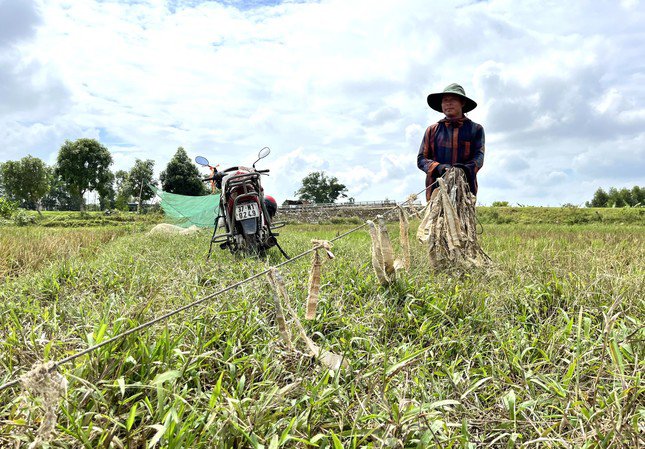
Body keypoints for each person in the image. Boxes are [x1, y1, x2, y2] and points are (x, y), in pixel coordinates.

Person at [417, 83, 485, 200]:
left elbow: (479, 158)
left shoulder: (476, 129)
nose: (448, 103)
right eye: (445, 100)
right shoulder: (432, 130)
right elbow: (421, 159)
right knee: (437, 218)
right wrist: (439, 168)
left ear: (462, 103)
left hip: (465, 191)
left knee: (463, 217)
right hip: (436, 191)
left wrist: (463, 170)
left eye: (453, 99)